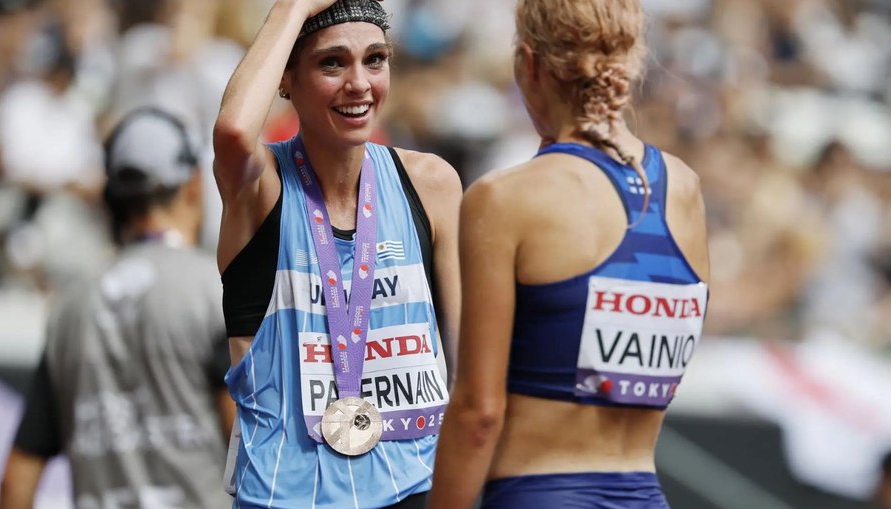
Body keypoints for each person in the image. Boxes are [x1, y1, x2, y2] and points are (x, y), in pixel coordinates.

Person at [428, 1, 711, 508]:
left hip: (537, 493)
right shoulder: (684, 189)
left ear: (529, 63)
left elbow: (478, 413)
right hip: (644, 494)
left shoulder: (506, 197)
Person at [212, 0, 462, 507]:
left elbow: (465, 368)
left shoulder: (432, 183)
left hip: (414, 485)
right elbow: (235, 131)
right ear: (286, 79)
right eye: (332, 63)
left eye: (375, 59)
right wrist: (294, 6)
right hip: (286, 493)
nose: (359, 84)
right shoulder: (261, 189)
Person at [0, 107, 235, 509]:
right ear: (194, 185)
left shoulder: (70, 307)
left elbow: (16, 480)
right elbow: (248, 448)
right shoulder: (214, 290)